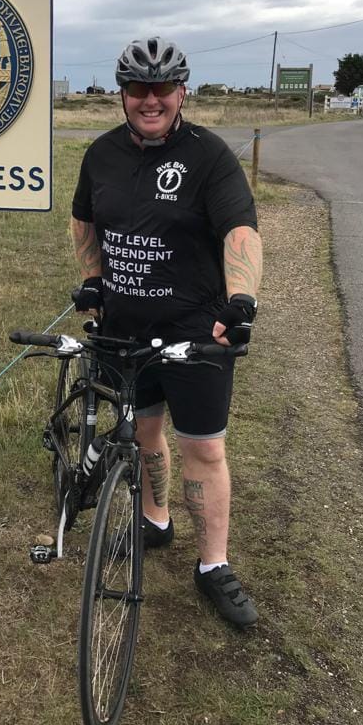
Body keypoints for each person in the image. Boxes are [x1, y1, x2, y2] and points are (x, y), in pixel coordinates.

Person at [70, 37, 263, 628]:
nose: (149, 99)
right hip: (125, 329)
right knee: (145, 433)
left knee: (203, 448)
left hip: (195, 332)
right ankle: (156, 521)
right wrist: (94, 279)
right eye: (138, 88)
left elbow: (240, 230)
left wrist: (241, 300)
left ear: (182, 92)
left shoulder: (209, 156)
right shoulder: (101, 154)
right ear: (122, 94)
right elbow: (84, 220)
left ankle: (213, 565)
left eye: (161, 88)